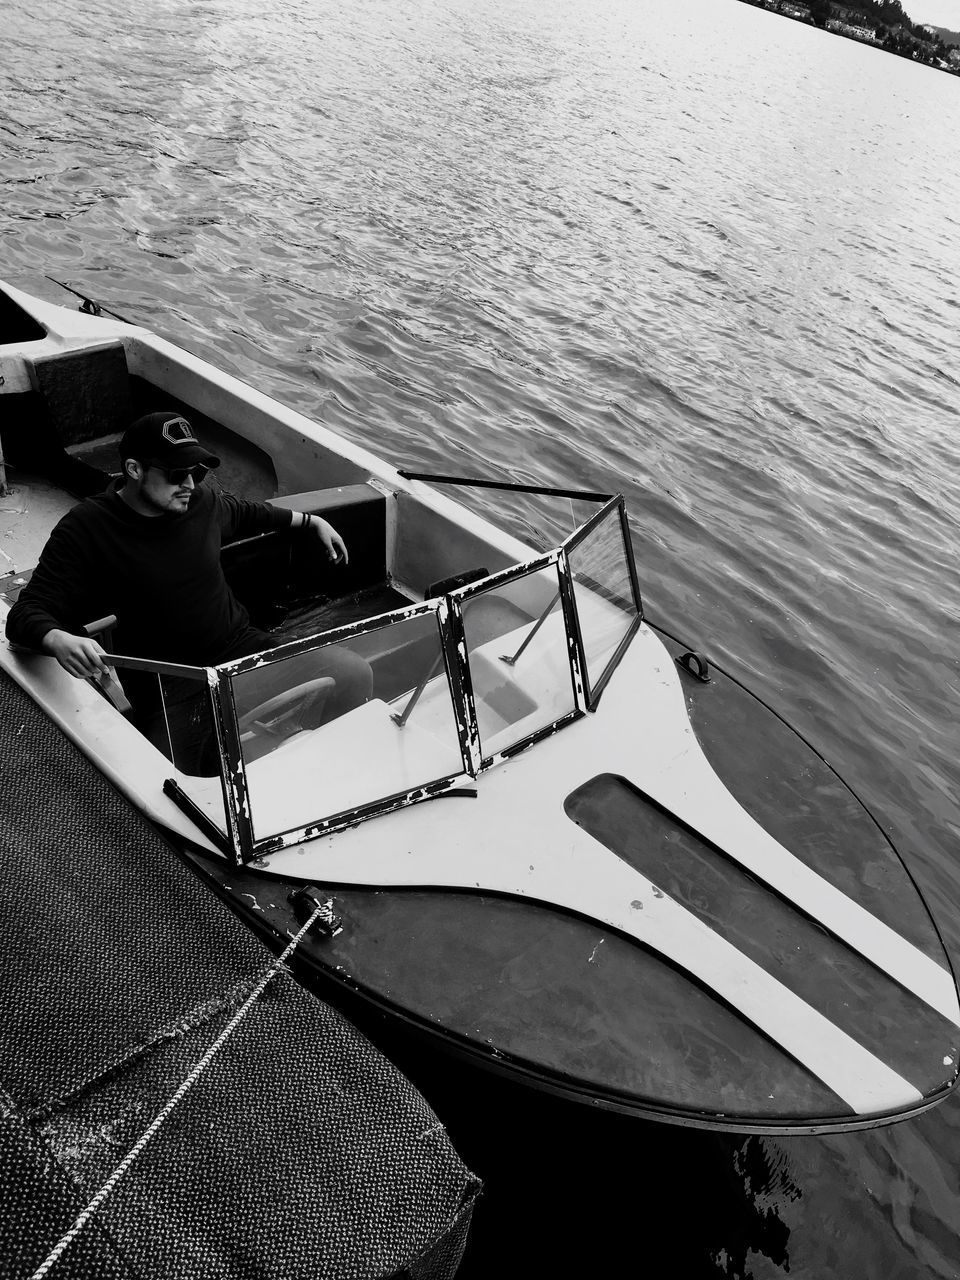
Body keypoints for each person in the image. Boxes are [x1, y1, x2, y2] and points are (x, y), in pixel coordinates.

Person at [5, 411, 373, 770]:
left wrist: (310, 521)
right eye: (178, 474)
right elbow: (25, 614)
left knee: (355, 673)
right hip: (169, 683)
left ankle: (330, 770)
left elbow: (251, 513)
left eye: (197, 472)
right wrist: (57, 639)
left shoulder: (201, 502)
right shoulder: (87, 528)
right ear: (134, 470)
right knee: (181, 780)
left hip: (241, 648)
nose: (191, 484)